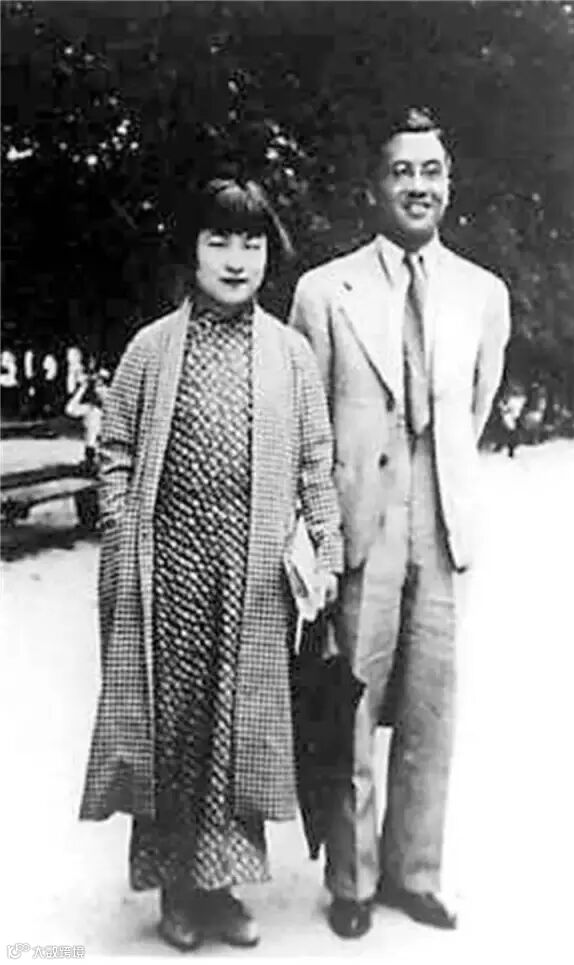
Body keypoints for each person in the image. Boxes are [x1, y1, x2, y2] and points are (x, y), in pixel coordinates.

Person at [79, 176, 343, 952]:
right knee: (176, 729)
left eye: (251, 243)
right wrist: (126, 531)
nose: (235, 259)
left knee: (239, 726)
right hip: (168, 575)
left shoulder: (290, 354)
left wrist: (325, 549)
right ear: (190, 251)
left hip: (254, 578)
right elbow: (115, 451)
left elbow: (315, 463)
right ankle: (176, 890)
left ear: (269, 254)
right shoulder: (151, 348)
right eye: (218, 240)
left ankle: (222, 887)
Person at [290, 106, 511, 939]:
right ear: (373, 188)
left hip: (441, 520)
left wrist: (434, 480)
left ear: (449, 185)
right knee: (351, 702)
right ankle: (351, 879)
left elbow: (475, 406)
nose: (418, 186)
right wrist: (319, 531)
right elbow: (308, 419)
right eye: (401, 171)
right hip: (359, 526)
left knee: (430, 709)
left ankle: (416, 872)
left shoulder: (483, 293)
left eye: (432, 171)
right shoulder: (325, 290)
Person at [65, 367, 111, 471]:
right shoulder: (91, 409)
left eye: (104, 386)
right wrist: (82, 388)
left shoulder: (115, 409)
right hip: (93, 451)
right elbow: (70, 409)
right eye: (97, 387)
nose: (100, 391)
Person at [495, 383, 526, 458]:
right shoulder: (517, 400)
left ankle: (507, 449)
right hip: (509, 418)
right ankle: (503, 448)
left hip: (510, 418)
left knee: (510, 434)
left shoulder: (517, 400)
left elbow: (513, 410)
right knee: (508, 434)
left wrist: (504, 408)